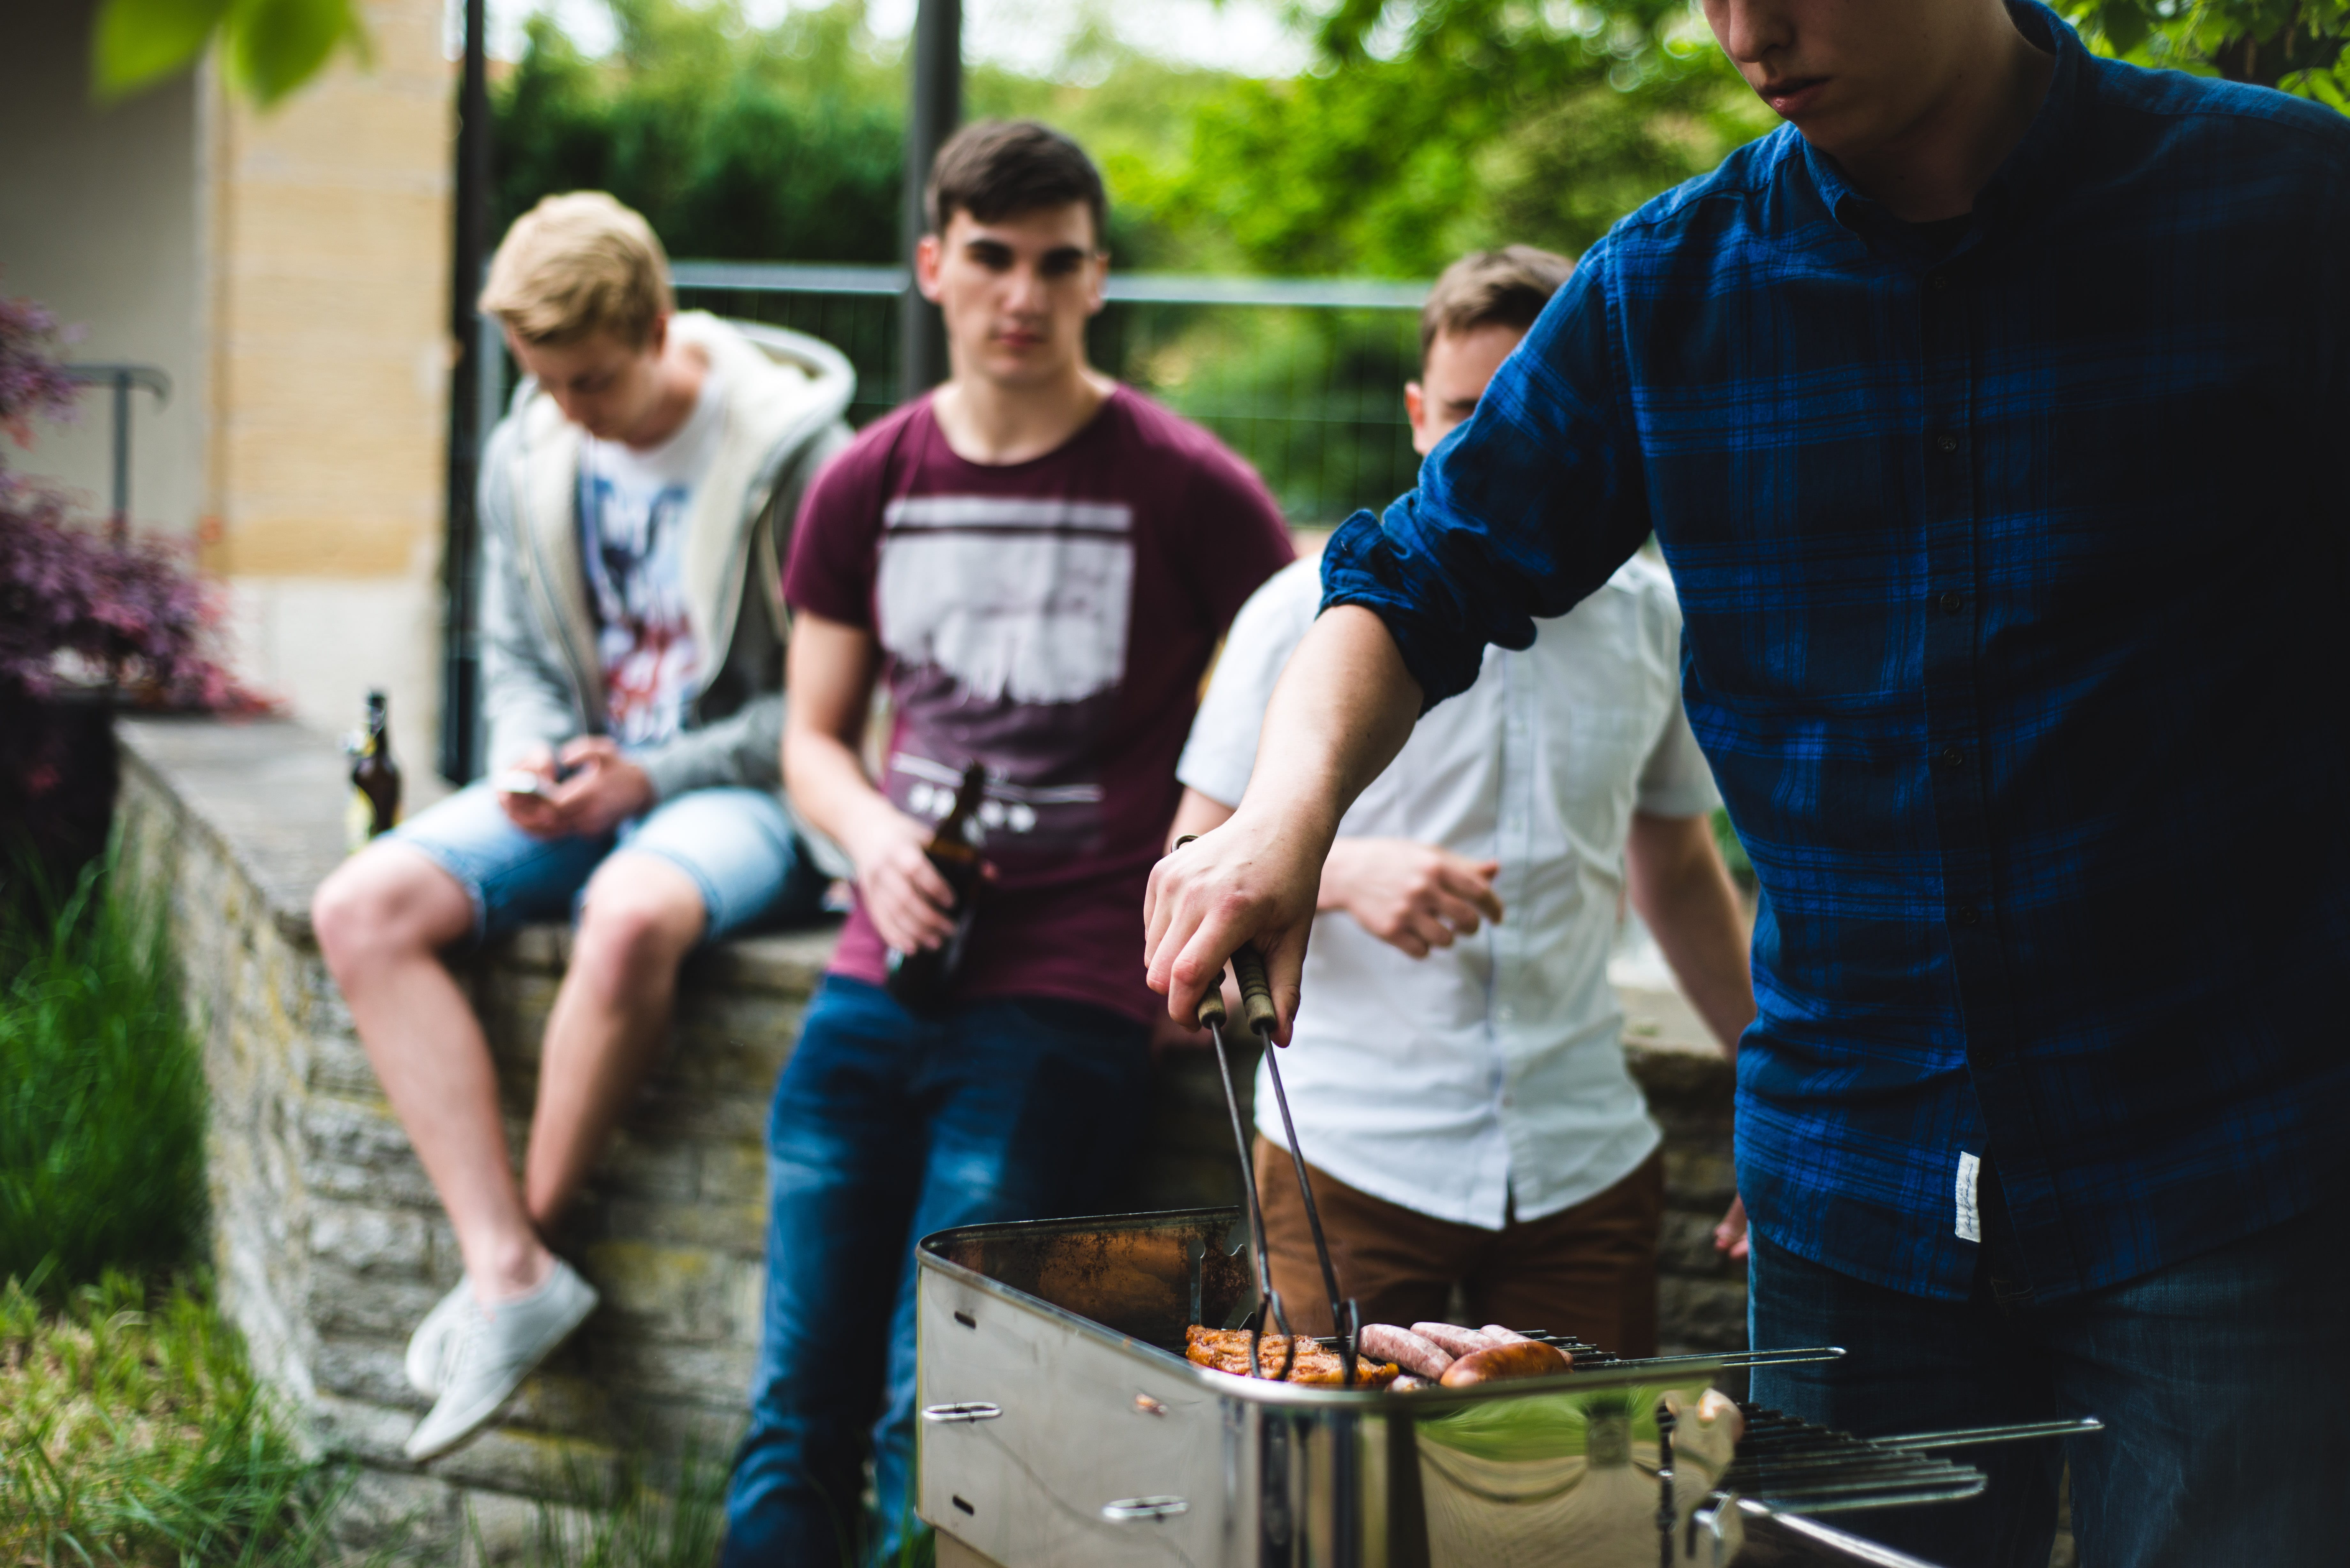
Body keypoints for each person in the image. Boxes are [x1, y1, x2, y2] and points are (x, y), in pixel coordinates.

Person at [1142, 3, 2350, 1563]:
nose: (1746, 30)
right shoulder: (1666, 284)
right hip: (1855, 1191)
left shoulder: (2283, 206)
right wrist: (1287, 816)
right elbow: (1410, 574)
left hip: (2227, 1166)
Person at [720, 120, 1294, 1566]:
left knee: (960, 1413)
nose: (1020, 293)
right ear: (934, 267)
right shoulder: (865, 478)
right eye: (989, 257)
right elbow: (812, 740)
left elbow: (1309, 689)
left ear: (1098, 279)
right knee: (797, 1398)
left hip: (1065, 1000)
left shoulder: (1188, 485)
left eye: (1056, 262)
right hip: (876, 976)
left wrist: (1226, 893)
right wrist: (869, 832)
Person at [310, 192, 854, 1465]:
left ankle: (514, 1275)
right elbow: (512, 652)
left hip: (737, 792)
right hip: (573, 781)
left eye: (592, 380)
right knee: (360, 907)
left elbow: (821, 708)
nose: (568, 410)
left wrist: (647, 778)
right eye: (543, 382)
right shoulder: (532, 445)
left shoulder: (800, 456)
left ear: (661, 326)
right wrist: (527, 751)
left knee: (627, 913)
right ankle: (509, 1273)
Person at [1168, 246, 1755, 1356]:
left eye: (1525, 416)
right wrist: (1346, 871)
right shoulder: (1302, 611)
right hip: (1352, 1156)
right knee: (1341, 1513)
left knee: (1573, 1504)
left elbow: (1675, 864)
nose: (1497, 450)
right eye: (1466, 413)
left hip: (1585, 1166)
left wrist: (1766, 1080)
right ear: (1414, 414)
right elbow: (1195, 848)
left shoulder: (1657, 620)